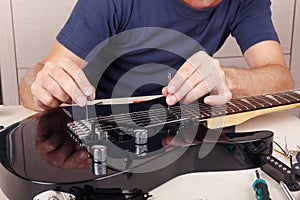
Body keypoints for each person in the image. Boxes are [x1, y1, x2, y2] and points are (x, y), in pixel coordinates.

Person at [19, 0, 294, 111]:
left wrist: (230, 79)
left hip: (182, 128)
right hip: (104, 124)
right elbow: (33, 82)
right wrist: (42, 87)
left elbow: (281, 78)